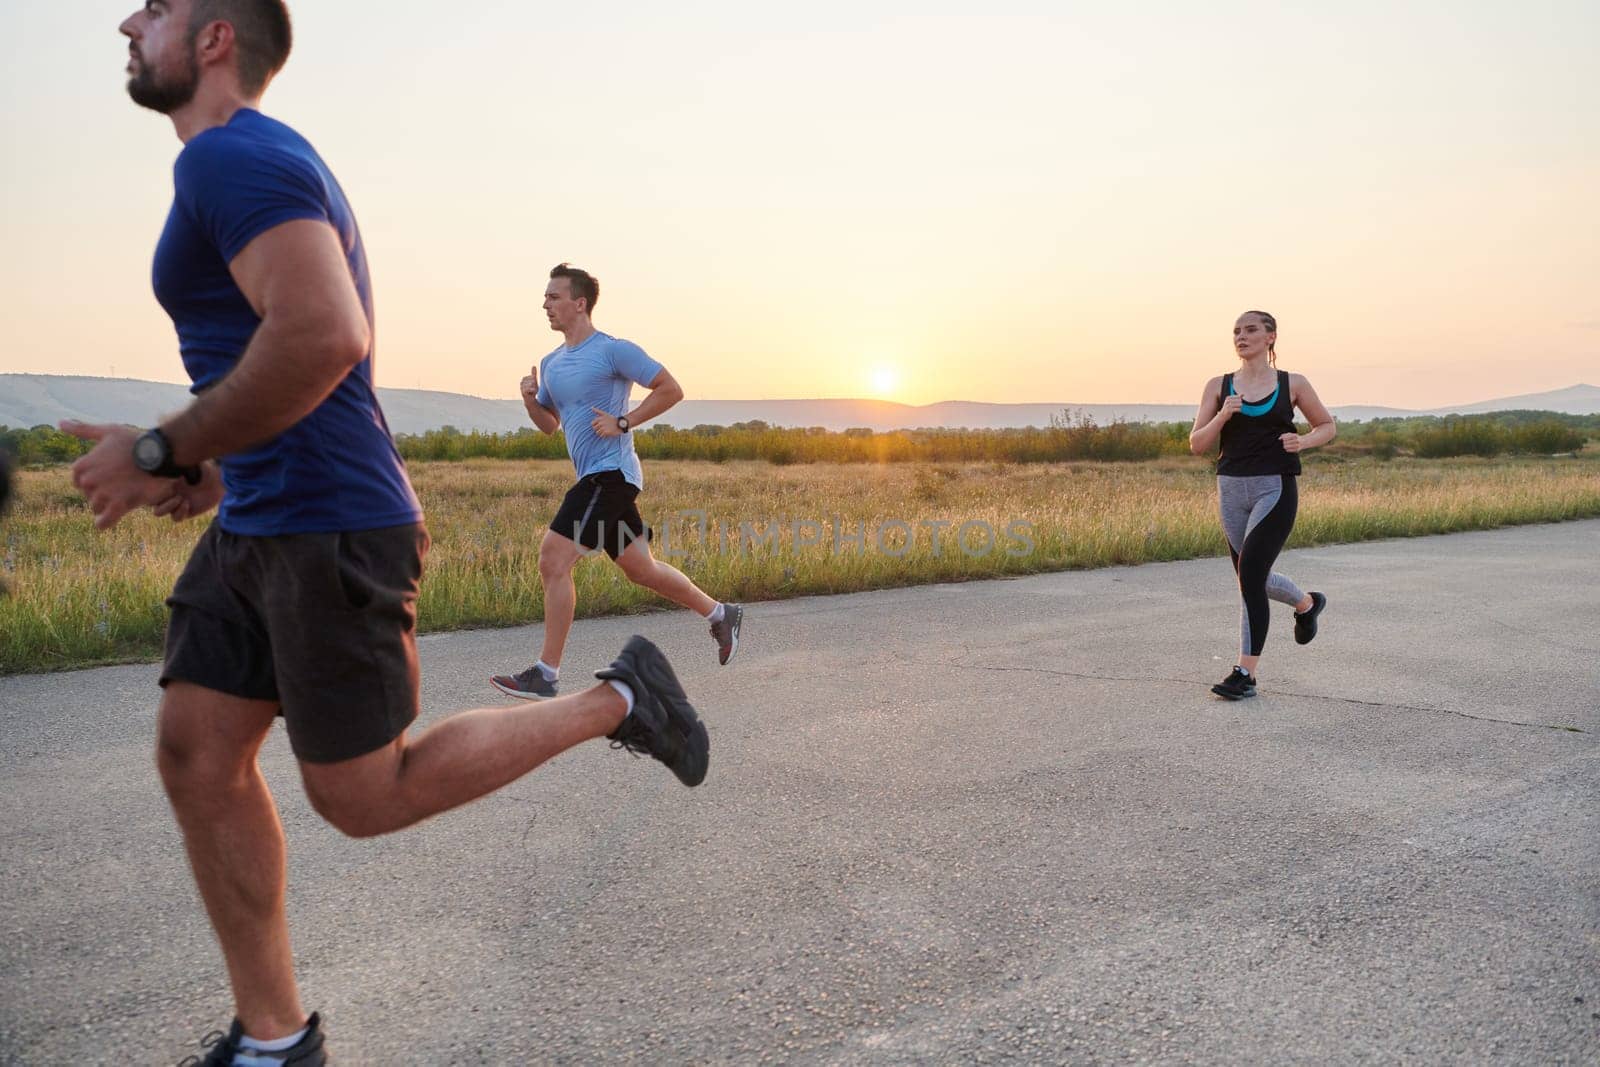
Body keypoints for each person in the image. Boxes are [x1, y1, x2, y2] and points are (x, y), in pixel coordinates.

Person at [64, 4, 708, 1064]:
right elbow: (300, 356)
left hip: (330, 522)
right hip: (263, 510)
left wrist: (160, 449)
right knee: (198, 749)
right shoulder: (240, 162)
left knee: (365, 792)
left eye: (161, 4)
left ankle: (622, 696)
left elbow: (324, 334)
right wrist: (215, 461)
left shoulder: (233, 158)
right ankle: (274, 1042)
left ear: (217, 36)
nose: (130, 20)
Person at [489, 264, 744, 700]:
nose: (545, 304)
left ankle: (545, 675)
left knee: (553, 558)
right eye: (546, 298)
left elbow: (670, 388)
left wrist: (625, 421)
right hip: (598, 477)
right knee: (640, 569)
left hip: (611, 475)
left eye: (554, 297)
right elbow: (549, 425)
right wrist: (530, 399)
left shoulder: (612, 351)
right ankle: (721, 613)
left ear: (580, 303)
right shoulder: (551, 363)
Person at [1189, 310, 1335, 700]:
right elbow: (1197, 444)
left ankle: (1245, 674)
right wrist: (1223, 414)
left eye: (1251, 329)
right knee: (1248, 577)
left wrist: (1302, 441)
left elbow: (1327, 425)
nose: (1241, 336)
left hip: (1275, 487)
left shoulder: (1292, 383)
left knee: (1251, 573)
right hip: (1231, 488)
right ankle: (1307, 604)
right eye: (1236, 331)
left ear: (1270, 337)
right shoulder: (1218, 386)